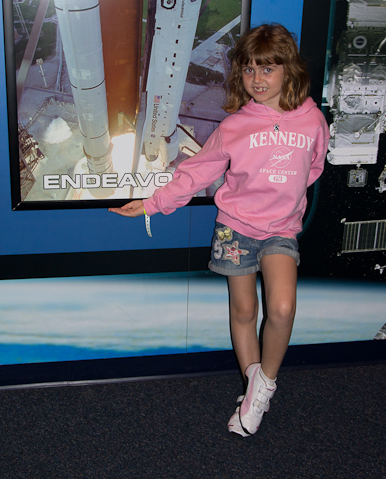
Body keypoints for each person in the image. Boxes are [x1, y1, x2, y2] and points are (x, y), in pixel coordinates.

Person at [109, 24, 330, 437]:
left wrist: (285, 198)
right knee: (244, 312)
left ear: (289, 70)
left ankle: (263, 386)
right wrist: (154, 203)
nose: (257, 79)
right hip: (235, 228)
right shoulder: (235, 126)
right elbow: (197, 171)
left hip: (280, 230)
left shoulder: (313, 121)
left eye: (267, 69)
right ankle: (254, 392)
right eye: (248, 70)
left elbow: (312, 169)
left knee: (282, 309)